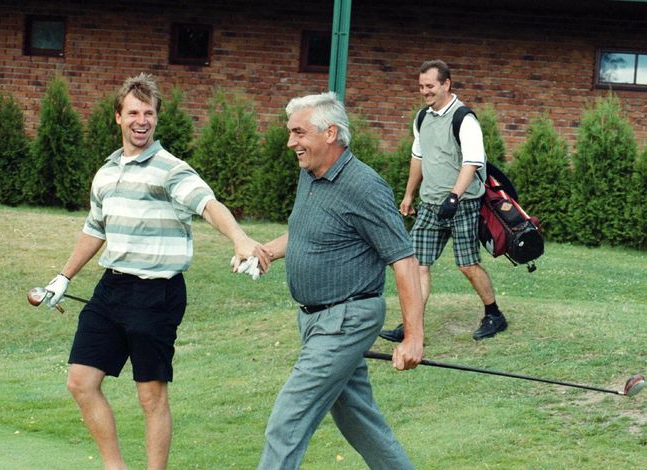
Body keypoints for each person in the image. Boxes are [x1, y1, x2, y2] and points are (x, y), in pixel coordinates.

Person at [42, 73, 267, 470]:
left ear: (157, 118)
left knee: (150, 395)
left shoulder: (170, 169)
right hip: (111, 289)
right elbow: (95, 230)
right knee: (80, 381)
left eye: (148, 113)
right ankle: (116, 466)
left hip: (157, 294)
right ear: (118, 117)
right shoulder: (107, 173)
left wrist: (239, 238)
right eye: (133, 112)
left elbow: (206, 203)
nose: (141, 120)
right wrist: (64, 277)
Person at [254, 92, 425, 469]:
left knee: (288, 420)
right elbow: (311, 234)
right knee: (358, 419)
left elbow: (404, 260)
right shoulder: (311, 175)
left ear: (330, 132)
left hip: (345, 321)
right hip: (315, 320)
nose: (290, 142)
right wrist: (266, 249)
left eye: (299, 133)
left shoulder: (364, 186)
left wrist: (413, 337)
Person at [379, 59, 507, 343]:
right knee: (417, 264)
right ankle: (411, 326)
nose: (425, 91)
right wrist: (409, 194)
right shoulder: (422, 118)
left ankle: (494, 314)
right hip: (429, 204)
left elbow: (472, 162)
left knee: (467, 265)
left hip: (462, 204)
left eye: (430, 86)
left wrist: (454, 196)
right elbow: (418, 157)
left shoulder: (464, 118)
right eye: (421, 86)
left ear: (446, 84)